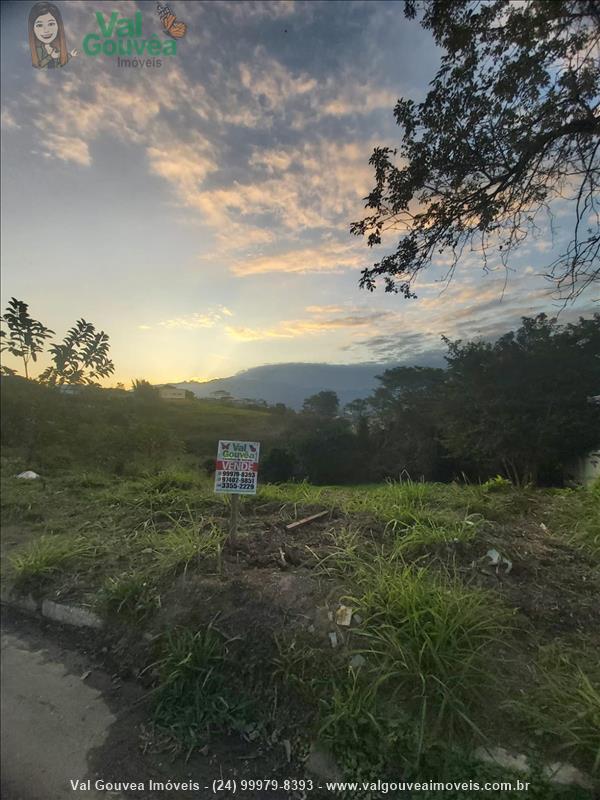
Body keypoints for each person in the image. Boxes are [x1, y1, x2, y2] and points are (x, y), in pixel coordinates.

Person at [28, 2, 77, 69]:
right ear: (33, 29)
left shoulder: (57, 47)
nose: (46, 30)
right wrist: (50, 56)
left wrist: (71, 55)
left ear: (58, 26)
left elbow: (60, 64)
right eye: (40, 25)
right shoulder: (38, 49)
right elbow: (39, 66)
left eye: (51, 24)